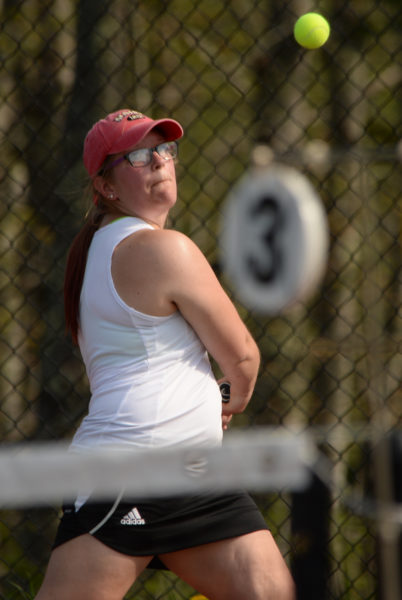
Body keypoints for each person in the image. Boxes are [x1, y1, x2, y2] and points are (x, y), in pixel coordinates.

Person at [35, 109, 295, 600]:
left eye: (164, 148)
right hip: (130, 471)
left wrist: (212, 402)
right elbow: (242, 358)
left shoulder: (100, 247)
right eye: (137, 154)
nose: (157, 159)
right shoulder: (160, 249)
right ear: (107, 186)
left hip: (194, 478)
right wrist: (226, 400)